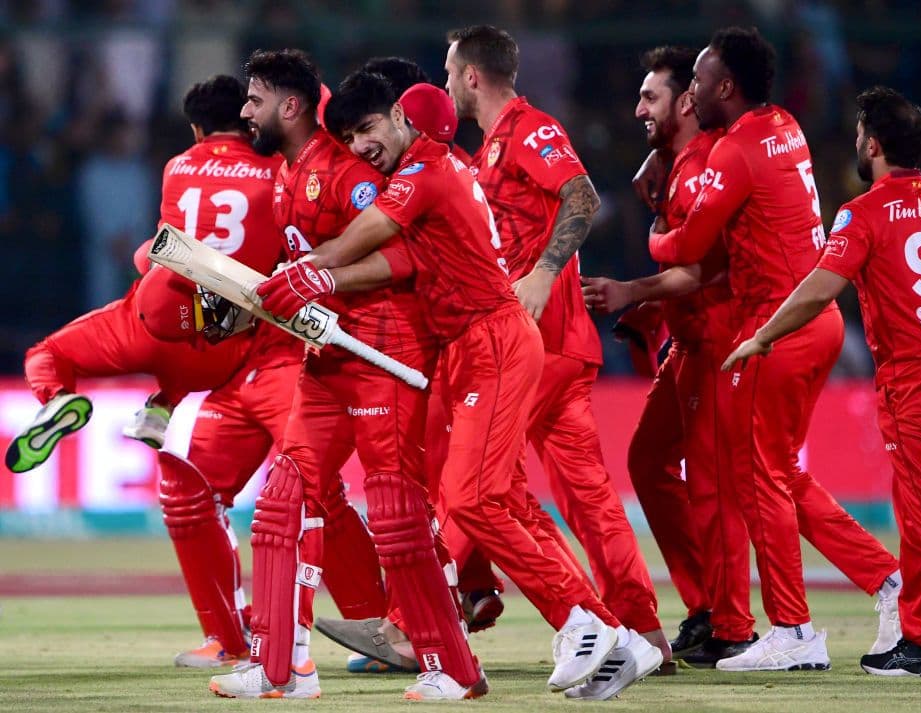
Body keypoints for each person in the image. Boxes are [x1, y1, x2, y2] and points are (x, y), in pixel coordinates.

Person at [255, 68, 646, 700]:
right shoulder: (440, 169)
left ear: (406, 121)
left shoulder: (424, 171)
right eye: (349, 137)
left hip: (490, 339)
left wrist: (314, 269)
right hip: (474, 345)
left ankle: (586, 622)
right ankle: (609, 636)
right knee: (491, 499)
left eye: (369, 129)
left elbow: (371, 233)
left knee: (470, 500)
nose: (358, 148)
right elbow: (394, 251)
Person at [5, 75, 385, 670]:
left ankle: (247, 639)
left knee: (208, 495)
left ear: (195, 128)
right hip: (265, 350)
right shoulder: (286, 168)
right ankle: (365, 625)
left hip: (198, 333)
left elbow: (163, 253)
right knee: (309, 491)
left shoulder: (179, 166)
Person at [209, 50, 482, 702]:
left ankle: (455, 668)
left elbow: (403, 256)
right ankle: (281, 667)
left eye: (254, 98)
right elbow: (300, 271)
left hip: (383, 353)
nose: (245, 111)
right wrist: (248, 302)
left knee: (394, 514)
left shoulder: (347, 172)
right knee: (279, 502)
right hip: (324, 361)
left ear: (291, 104)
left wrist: (318, 279)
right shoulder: (284, 176)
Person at [724, 86, 921, 680]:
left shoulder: (863, 212)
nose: (856, 143)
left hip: (916, 381)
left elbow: (820, 286)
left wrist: (763, 336)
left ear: (875, 144)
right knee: (919, 505)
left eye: (861, 136)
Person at [647, 27, 902, 672]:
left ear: (724, 87)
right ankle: (887, 579)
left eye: (700, 82)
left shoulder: (733, 152)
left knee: (760, 477)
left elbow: (689, 246)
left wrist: (654, 231)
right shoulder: (782, 123)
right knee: (778, 473)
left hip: (774, 329)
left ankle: (793, 629)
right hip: (816, 319)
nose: (692, 94)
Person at [442, 24, 668, 691]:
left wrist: (543, 270)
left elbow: (583, 195)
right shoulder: (490, 149)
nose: (447, 81)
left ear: (473, 76)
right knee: (581, 495)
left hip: (536, 341)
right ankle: (635, 628)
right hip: (548, 343)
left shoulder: (529, 129)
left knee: (479, 485)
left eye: (451, 70)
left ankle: (414, 617)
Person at [582, 45, 756, 668]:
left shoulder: (709, 161)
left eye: (650, 96)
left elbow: (707, 267)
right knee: (650, 461)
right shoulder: (678, 161)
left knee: (714, 487)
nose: (637, 108)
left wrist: (635, 289)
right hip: (688, 337)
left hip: (716, 340)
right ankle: (706, 602)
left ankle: (730, 622)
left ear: (687, 101)